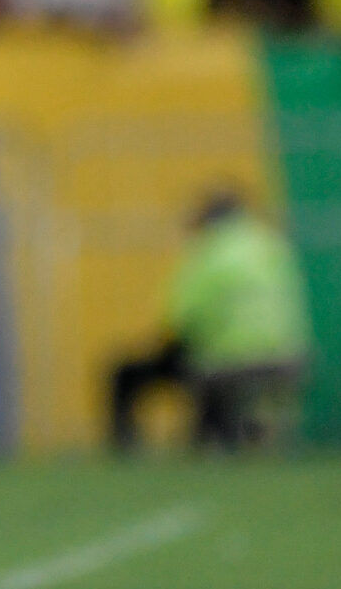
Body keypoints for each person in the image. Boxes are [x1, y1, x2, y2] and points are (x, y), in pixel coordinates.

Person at [109, 193, 310, 451]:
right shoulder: (272, 245)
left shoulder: (210, 250)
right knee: (213, 377)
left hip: (229, 357)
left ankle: (129, 449)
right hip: (290, 357)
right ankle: (240, 430)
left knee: (129, 374)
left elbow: (180, 317)